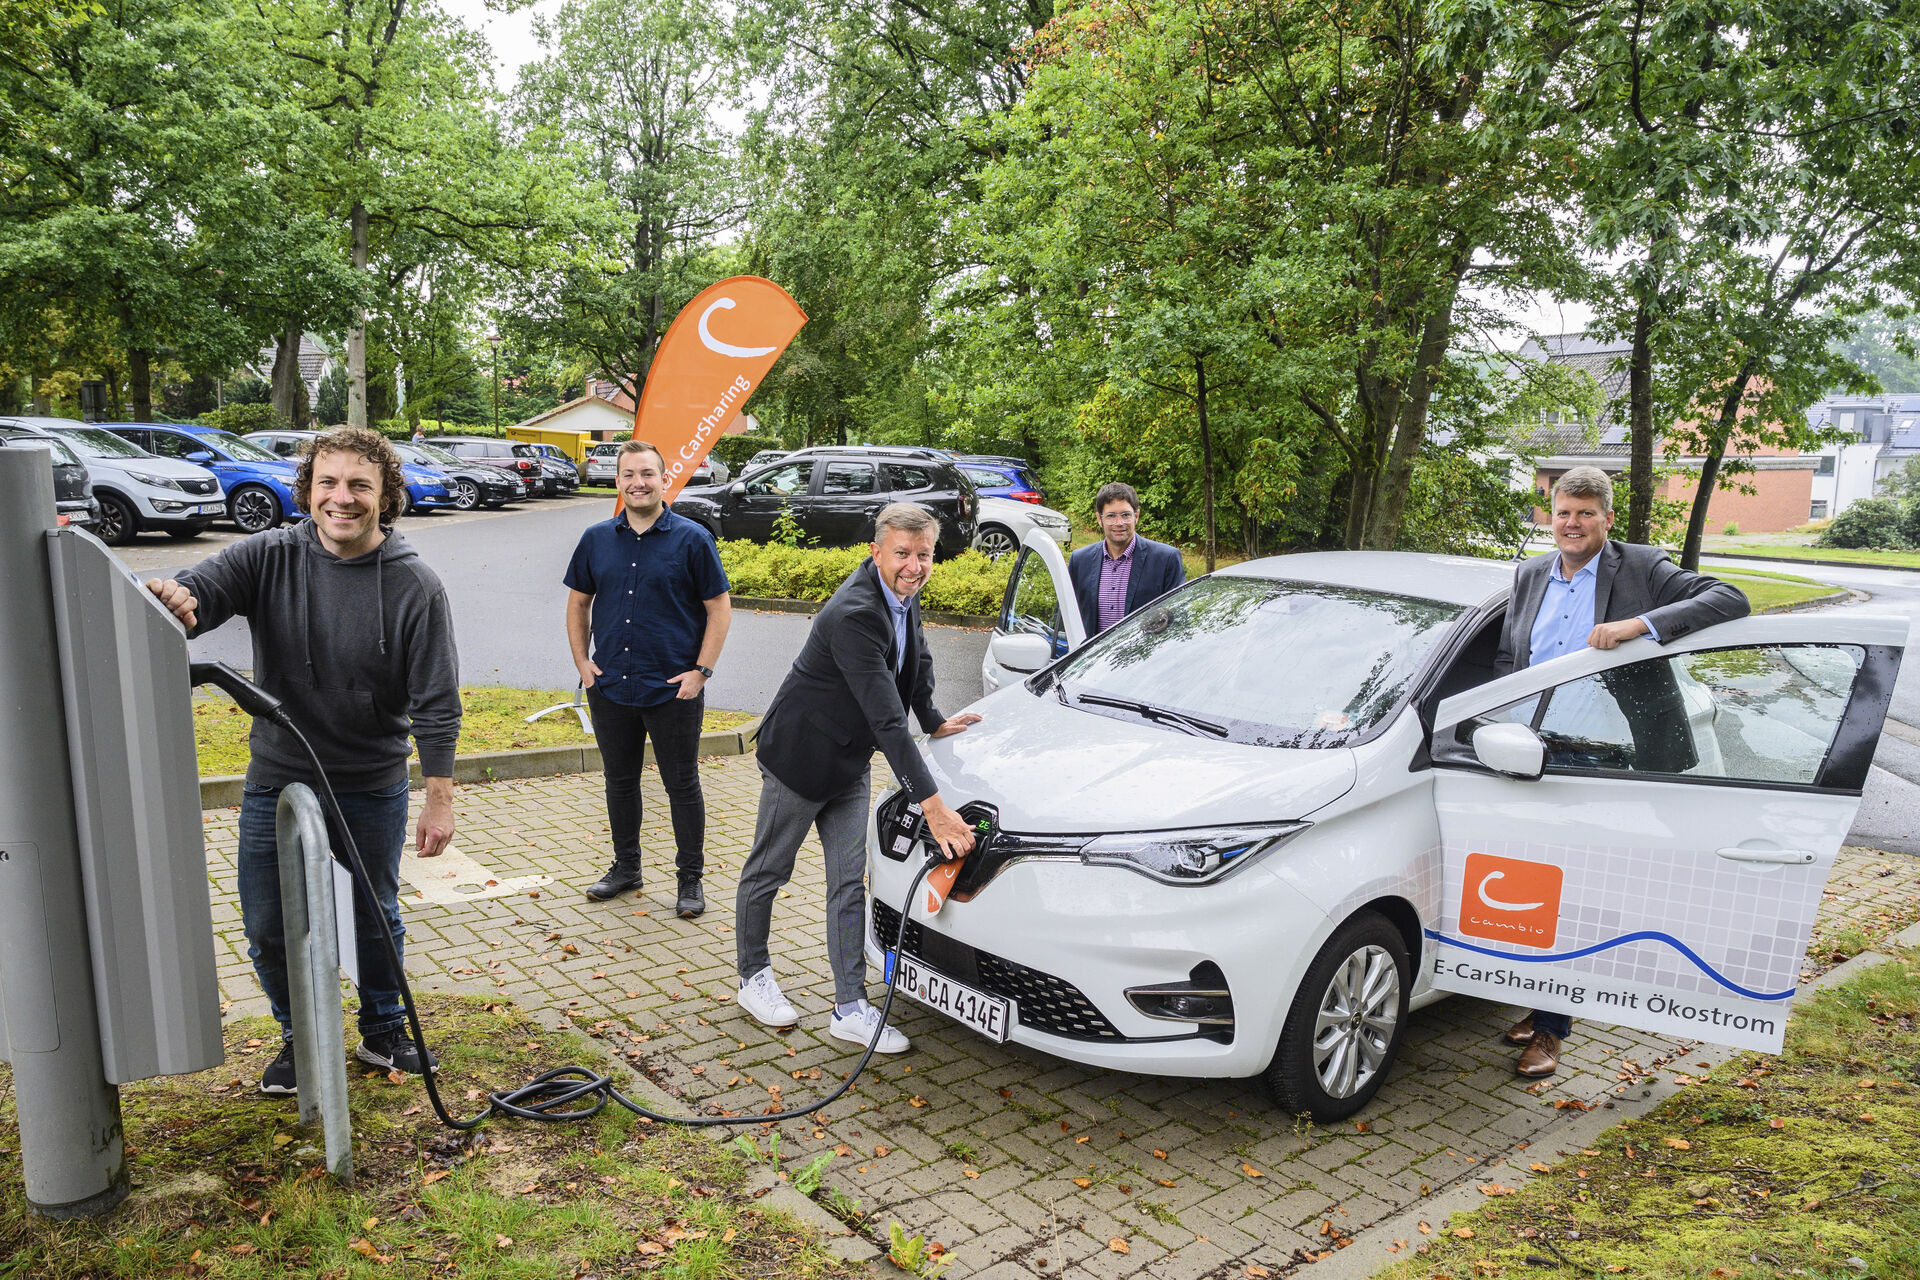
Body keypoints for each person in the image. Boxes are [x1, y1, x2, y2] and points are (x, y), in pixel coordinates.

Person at [144, 426, 460, 1095]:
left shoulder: (416, 587)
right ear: (308, 489)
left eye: (359, 486)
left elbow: (436, 700)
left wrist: (439, 798)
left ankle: (382, 1032)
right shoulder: (270, 557)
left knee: (376, 914)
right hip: (278, 780)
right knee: (265, 923)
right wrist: (179, 598)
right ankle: (299, 1039)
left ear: (386, 495)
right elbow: (203, 589)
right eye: (328, 483)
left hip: (371, 785)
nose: (341, 499)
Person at [1492, 465, 1749, 1078]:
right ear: (1547, 517)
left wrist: (1640, 626)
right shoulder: (1530, 574)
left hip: (1610, 752)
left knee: (1575, 889)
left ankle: (1551, 1031)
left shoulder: (1639, 567)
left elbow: (1730, 599)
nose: (1573, 524)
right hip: (1534, 745)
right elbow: (1509, 651)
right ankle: (1540, 1003)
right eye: (1563, 512)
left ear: (1607, 519)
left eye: (1585, 513)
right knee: (1536, 882)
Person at [734, 503, 982, 1053]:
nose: (914, 566)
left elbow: (914, 665)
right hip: (799, 758)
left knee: (849, 883)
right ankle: (752, 977)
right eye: (902, 554)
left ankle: (850, 1006)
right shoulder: (854, 612)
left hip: (848, 763)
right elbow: (886, 719)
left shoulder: (903, 597)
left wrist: (937, 720)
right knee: (769, 870)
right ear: (876, 552)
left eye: (924, 555)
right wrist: (935, 808)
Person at [563, 440, 732, 916]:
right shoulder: (596, 539)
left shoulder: (693, 539)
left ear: (664, 479)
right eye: (628, 474)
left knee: (682, 784)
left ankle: (690, 881)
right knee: (620, 781)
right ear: (617, 482)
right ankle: (626, 868)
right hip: (611, 685)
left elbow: (718, 608)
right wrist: (582, 662)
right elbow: (579, 602)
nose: (638, 482)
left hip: (673, 689)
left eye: (647, 474)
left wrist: (701, 671)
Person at [1068, 481, 1186, 635]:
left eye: (1125, 515)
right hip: (1093, 658)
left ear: (1136, 516)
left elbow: (1178, 617)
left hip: (1144, 656)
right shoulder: (1080, 560)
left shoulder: (1166, 559)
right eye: (1111, 516)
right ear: (1099, 518)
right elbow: (1066, 615)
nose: (1119, 523)